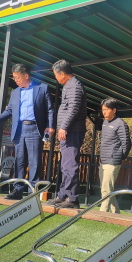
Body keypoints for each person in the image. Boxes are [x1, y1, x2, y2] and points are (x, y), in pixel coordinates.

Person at [0, 64, 54, 199]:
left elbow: (50, 109)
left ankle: (33, 191)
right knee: (19, 161)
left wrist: (50, 126)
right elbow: (10, 110)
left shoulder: (42, 88)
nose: (15, 80)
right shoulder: (15, 92)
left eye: (17, 77)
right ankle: (18, 190)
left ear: (26, 76)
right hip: (19, 129)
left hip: (35, 129)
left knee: (34, 161)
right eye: (14, 77)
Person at [52, 59, 87, 209]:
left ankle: (72, 198)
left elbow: (73, 108)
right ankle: (62, 195)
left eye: (55, 75)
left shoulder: (74, 86)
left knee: (70, 164)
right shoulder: (69, 86)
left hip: (72, 130)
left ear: (62, 74)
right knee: (65, 165)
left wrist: (63, 126)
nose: (55, 78)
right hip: (68, 130)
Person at [98, 98, 131, 213]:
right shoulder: (105, 123)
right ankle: (116, 214)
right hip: (103, 160)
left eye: (106, 110)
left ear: (114, 110)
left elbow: (126, 143)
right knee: (107, 189)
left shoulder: (121, 124)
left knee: (106, 190)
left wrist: (119, 157)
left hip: (112, 161)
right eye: (103, 110)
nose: (104, 112)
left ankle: (102, 214)